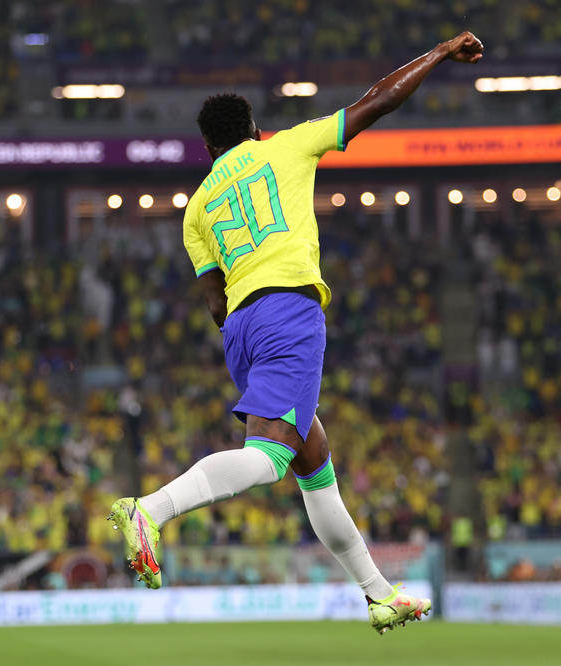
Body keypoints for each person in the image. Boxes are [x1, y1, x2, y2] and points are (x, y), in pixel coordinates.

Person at [109, 30, 484, 634]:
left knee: (316, 464)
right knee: (270, 457)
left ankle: (379, 594)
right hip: (289, 312)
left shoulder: (197, 208)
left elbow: (214, 302)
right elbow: (378, 100)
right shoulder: (285, 148)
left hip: (242, 330)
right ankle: (150, 509)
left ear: (208, 146)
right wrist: (439, 54)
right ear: (256, 130)